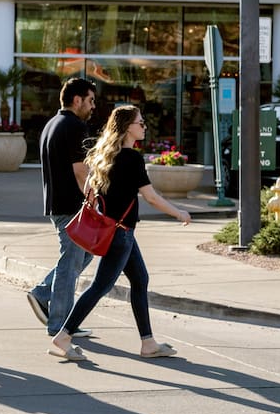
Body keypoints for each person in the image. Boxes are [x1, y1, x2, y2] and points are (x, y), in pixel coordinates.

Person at [49, 105, 192, 362]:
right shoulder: (132, 158)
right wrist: (179, 213)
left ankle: (148, 342)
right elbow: (151, 197)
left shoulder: (105, 157)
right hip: (120, 234)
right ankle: (64, 336)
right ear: (128, 128)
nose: (144, 126)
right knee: (99, 287)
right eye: (140, 122)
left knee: (140, 280)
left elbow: (90, 193)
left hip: (117, 231)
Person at [27, 77, 98, 338]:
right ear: (76, 100)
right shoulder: (75, 126)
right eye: (90, 100)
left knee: (84, 255)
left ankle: (43, 293)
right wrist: (94, 199)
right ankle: (60, 325)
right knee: (70, 265)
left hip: (58, 204)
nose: (93, 106)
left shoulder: (51, 124)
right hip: (71, 206)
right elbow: (81, 171)